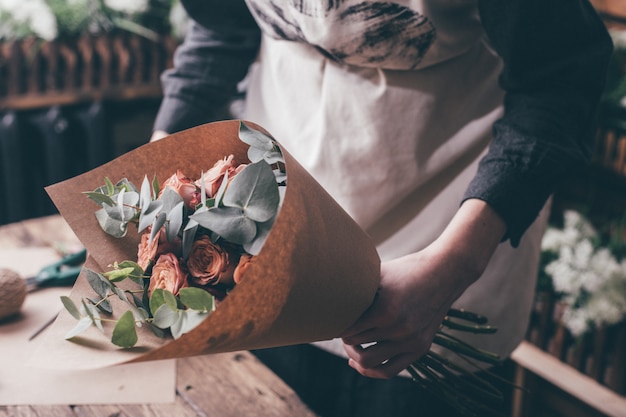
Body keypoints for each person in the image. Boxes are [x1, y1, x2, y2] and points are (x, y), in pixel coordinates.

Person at [151, 1, 613, 415]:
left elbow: (561, 77)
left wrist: (454, 264)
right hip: (268, 251)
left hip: (437, 261)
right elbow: (222, 27)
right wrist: (161, 175)